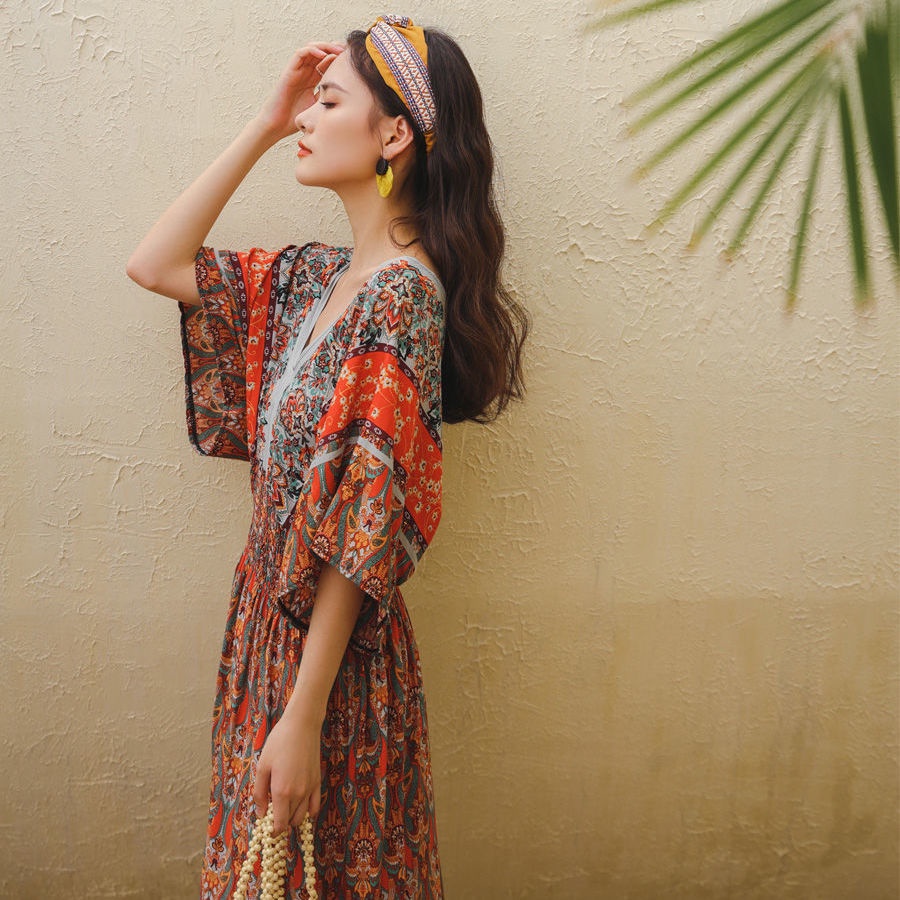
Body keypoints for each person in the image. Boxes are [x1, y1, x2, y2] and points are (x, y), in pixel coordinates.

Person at [126, 14, 528, 898]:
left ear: (395, 135)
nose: (308, 117)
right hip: (268, 639)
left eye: (329, 102)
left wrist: (302, 718)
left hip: (329, 672)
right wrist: (265, 125)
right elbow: (155, 264)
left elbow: (361, 525)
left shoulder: (401, 301)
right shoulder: (315, 281)